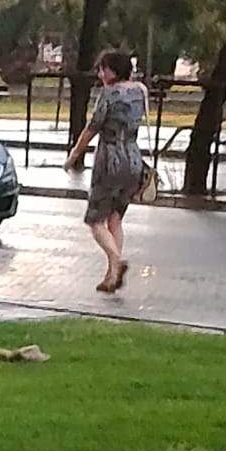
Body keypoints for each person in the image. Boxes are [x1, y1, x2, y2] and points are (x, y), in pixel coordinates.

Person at [64, 49, 146, 293]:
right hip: (133, 158)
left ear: (114, 70)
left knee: (95, 220)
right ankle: (111, 277)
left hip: (110, 159)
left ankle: (117, 262)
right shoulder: (141, 90)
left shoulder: (108, 94)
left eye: (103, 68)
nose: (100, 73)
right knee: (116, 218)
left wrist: (74, 154)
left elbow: (93, 127)